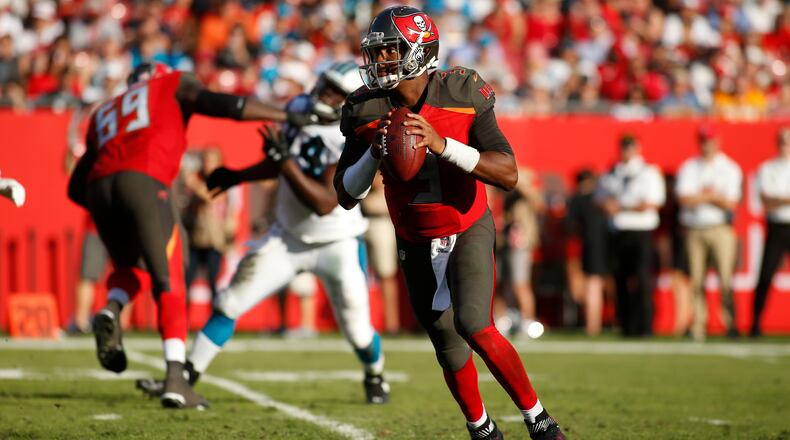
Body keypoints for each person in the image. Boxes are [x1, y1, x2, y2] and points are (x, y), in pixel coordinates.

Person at [334, 7, 564, 440]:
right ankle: (481, 428)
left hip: (466, 223)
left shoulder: (462, 90)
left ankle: (539, 420)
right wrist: (374, 154)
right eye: (377, 52)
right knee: (445, 340)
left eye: (389, 51)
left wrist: (442, 145)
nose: (379, 61)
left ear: (419, 54)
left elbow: (508, 172)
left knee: (474, 322)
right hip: (415, 235)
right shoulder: (365, 108)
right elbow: (345, 195)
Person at [67, 61, 320, 409]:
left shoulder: (105, 112)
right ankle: (175, 379)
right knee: (171, 277)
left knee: (132, 267)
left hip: (99, 187)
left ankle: (112, 307)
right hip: (144, 180)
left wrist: (110, 198)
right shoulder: (170, 84)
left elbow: (74, 189)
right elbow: (225, 105)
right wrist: (283, 115)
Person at [136, 61, 390, 405]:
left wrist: (285, 161)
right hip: (288, 236)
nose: (323, 94)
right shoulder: (299, 110)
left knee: (358, 330)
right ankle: (182, 378)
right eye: (324, 85)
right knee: (230, 301)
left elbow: (325, 202)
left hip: (338, 240)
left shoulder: (355, 132)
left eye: (334, 91)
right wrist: (238, 176)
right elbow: (278, 159)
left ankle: (375, 375)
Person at [676, 125, 742, 341]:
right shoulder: (690, 167)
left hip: (721, 228)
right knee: (696, 279)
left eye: (710, 140)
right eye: (704, 140)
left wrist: (702, 197)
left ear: (717, 142)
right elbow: (684, 199)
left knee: (725, 279)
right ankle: (698, 325)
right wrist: (714, 198)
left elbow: (730, 203)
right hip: (695, 228)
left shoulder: (729, 168)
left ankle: (730, 324)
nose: (707, 145)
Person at [597, 134, 665, 337]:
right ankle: (626, 324)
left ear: (637, 148)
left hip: (641, 231)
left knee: (642, 279)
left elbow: (652, 203)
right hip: (619, 231)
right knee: (620, 279)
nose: (626, 151)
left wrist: (622, 206)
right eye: (623, 147)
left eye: (629, 147)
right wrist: (606, 205)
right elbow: (599, 199)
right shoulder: (613, 173)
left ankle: (645, 326)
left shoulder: (648, 172)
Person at [182, 148, 240, 302]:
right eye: (206, 160)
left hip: (215, 241)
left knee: (213, 282)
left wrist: (192, 182)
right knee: (186, 281)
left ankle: (214, 322)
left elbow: (210, 196)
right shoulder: (197, 181)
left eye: (211, 161)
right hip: (195, 239)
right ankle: (183, 322)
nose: (208, 164)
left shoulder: (224, 181)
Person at [751, 127, 790, 337]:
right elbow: (767, 201)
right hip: (777, 226)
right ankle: (755, 322)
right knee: (765, 275)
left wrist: (780, 199)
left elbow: (774, 199)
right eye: (783, 141)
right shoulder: (768, 168)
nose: (786, 145)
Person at [501, 167, 545, 338]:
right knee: (503, 284)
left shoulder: (528, 193)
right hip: (506, 240)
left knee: (521, 284)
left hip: (521, 241)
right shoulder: (509, 196)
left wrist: (519, 180)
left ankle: (527, 321)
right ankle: (505, 319)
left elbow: (539, 204)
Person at [566, 169, 609, 336]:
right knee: (596, 285)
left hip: (586, 245)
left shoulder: (577, 199)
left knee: (592, 285)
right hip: (605, 244)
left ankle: (592, 325)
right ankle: (596, 324)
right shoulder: (601, 199)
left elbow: (570, 227)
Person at [361, 174, 401, 334]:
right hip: (360, 217)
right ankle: (363, 323)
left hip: (381, 217)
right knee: (360, 275)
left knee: (386, 274)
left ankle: (392, 325)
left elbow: (377, 182)